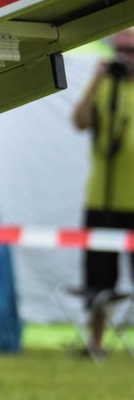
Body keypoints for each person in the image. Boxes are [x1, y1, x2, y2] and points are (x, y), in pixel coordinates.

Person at [71, 28, 134, 359]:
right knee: (99, 280)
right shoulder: (104, 85)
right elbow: (79, 122)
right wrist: (96, 82)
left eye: (132, 51)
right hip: (102, 199)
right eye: (120, 50)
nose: (126, 58)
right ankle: (96, 344)